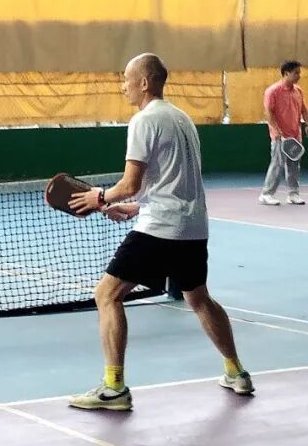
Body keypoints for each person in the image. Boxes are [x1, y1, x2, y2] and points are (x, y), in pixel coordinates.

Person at [67, 53, 253, 411]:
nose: (122, 86)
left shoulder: (143, 120)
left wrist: (100, 197)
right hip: (192, 227)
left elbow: (130, 183)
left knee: (106, 294)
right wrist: (135, 208)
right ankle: (237, 372)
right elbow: (174, 183)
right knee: (199, 299)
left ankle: (114, 388)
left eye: (126, 79)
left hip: (161, 229)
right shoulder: (182, 119)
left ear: (144, 82)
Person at [259, 60, 307, 206]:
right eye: (296, 73)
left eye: (299, 73)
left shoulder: (298, 91)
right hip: (279, 136)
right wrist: (277, 131)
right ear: (286, 73)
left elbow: (304, 110)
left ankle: (293, 194)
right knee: (277, 165)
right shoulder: (272, 91)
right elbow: (268, 113)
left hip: (295, 135)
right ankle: (266, 194)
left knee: (294, 166)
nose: (299, 76)